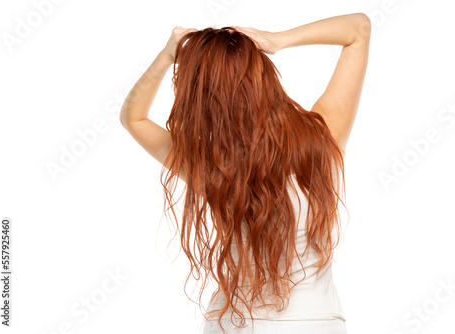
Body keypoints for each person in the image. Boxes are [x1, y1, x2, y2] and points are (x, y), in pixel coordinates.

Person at [120, 12, 371, 334]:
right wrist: (278, 40)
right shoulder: (323, 138)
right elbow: (358, 29)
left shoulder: (210, 165)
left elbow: (134, 118)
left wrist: (169, 53)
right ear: (262, 78)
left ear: (199, 97)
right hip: (313, 323)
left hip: (232, 324)